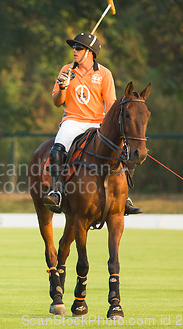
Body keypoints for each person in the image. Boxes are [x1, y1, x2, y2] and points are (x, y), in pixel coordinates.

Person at [43, 32, 142, 215]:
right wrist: (63, 87)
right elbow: (57, 102)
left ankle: (124, 196)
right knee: (57, 150)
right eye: (74, 47)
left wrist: (108, 126)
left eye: (79, 48)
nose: (74, 50)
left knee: (123, 151)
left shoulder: (104, 74)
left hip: (98, 123)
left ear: (90, 52)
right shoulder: (67, 70)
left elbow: (111, 105)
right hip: (72, 121)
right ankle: (56, 191)